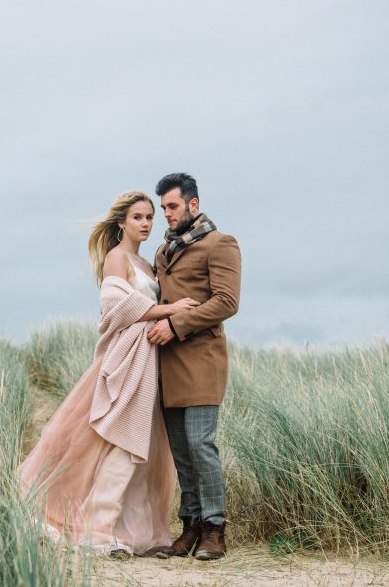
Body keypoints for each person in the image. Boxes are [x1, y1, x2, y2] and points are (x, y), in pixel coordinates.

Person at [18, 191, 197, 558]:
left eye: (150, 217)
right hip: (127, 358)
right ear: (121, 223)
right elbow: (114, 305)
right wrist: (168, 309)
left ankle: (124, 532)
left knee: (142, 447)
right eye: (138, 217)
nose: (146, 223)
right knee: (121, 442)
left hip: (150, 361)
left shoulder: (147, 265)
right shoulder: (117, 258)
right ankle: (97, 533)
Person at [148, 173, 241, 560]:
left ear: (193, 205)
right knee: (182, 452)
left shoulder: (221, 244)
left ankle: (214, 531)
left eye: (172, 206)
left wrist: (175, 324)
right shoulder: (162, 251)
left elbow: (226, 302)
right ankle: (190, 527)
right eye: (163, 208)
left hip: (202, 362)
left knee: (201, 445)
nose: (166, 214)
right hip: (166, 367)